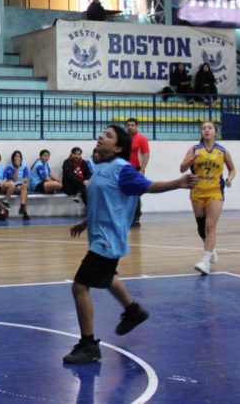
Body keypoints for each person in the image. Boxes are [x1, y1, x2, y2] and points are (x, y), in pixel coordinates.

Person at [63, 124, 195, 365]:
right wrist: (84, 222)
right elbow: (104, 200)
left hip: (107, 240)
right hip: (99, 236)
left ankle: (88, 345)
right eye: (103, 133)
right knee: (107, 276)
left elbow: (148, 186)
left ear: (118, 147)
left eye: (109, 135)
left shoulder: (123, 170)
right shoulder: (101, 167)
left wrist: (179, 182)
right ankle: (133, 311)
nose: (101, 136)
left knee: (80, 286)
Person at [180, 121, 236, 275]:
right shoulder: (194, 149)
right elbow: (182, 168)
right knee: (201, 226)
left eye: (209, 128)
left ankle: (205, 262)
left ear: (215, 132)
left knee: (210, 226)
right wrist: (192, 159)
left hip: (215, 191)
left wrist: (230, 178)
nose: (206, 130)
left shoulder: (222, 151)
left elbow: (232, 168)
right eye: (203, 128)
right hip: (197, 191)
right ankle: (210, 248)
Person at [125, 118, 149, 227]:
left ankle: (136, 217)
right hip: (124, 169)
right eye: (128, 125)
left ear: (136, 126)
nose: (130, 127)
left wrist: (142, 169)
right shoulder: (123, 139)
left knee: (135, 193)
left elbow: (146, 154)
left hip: (136, 169)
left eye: (132, 125)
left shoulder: (141, 139)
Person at [7, 150, 31, 220]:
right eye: (16, 156)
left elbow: (26, 178)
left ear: (21, 158)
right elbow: (14, 180)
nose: (17, 158)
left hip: (21, 185)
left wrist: (21, 183)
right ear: (13, 158)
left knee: (24, 187)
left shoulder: (24, 166)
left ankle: (22, 205)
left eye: (19, 156)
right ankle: (25, 212)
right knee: (25, 192)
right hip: (13, 186)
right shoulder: (10, 167)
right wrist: (17, 168)